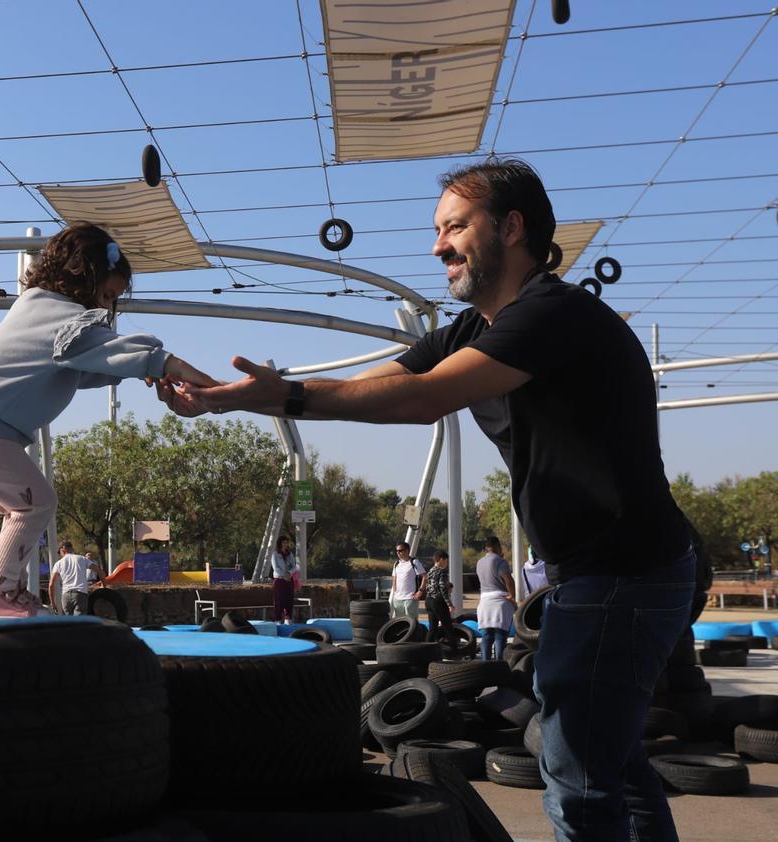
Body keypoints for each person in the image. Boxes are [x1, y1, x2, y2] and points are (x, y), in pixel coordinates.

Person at [168, 158, 694, 842]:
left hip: (621, 573)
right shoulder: (477, 326)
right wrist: (237, 397)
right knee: (612, 763)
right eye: (438, 229)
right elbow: (389, 377)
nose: (437, 246)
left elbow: (422, 399)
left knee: (578, 776)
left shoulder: (550, 315)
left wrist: (288, 397)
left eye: (454, 226)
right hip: (605, 570)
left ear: (511, 227)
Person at [0, 223, 215, 619]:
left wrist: (136, 370)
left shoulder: (39, 310)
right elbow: (99, 349)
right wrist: (170, 364)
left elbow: (79, 368)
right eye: (108, 294)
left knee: (21, 508)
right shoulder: (59, 312)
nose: (109, 307)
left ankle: (1, 593)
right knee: (38, 503)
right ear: (84, 278)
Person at [476, 536, 515, 661]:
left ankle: (485, 665)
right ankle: (499, 666)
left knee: (486, 636)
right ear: (497, 546)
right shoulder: (500, 561)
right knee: (500, 636)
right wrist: (512, 595)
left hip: (484, 603)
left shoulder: (479, 562)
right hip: (499, 603)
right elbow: (508, 579)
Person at [48, 541, 106, 615]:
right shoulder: (82, 559)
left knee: (69, 624)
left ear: (63, 549)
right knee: (79, 624)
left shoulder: (58, 563)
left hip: (66, 596)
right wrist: (104, 586)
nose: (60, 555)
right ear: (71, 548)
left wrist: (52, 603)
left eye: (60, 552)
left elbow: (51, 584)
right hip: (80, 594)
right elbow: (100, 571)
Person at [423, 550, 455, 647]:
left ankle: (425, 649)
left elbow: (428, 587)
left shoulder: (430, 571)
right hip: (438, 601)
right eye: (446, 561)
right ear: (441, 559)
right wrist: (450, 604)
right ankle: (455, 650)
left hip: (428, 600)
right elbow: (442, 588)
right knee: (448, 626)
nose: (446, 563)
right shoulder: (442, 571)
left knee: (433, 628)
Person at [388, 542, 425, 621]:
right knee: (400, 621)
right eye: (397, 551)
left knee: (412, 621)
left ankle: (415, 633)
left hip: (410, 598)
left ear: (407, 551)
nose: (398, 552)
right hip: (398, 599)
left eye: (401, 550)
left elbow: (424, 576)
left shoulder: (414, 562)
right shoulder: (396, 564)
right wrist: (395, 592)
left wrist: (420, 591)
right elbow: (394, 578)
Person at [270, 535, 297, 623]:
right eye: (284, 542)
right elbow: (276, 568)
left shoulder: (290, 554)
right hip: (280, 580)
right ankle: (277, 620)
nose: (285, 544)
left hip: (289, 580)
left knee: (289, 600)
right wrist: (284, 575)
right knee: (279, 601)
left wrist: (289, 573)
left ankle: (288, 619)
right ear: (280, 543)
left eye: (287, 542)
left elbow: (294, 566)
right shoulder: (275, 554)